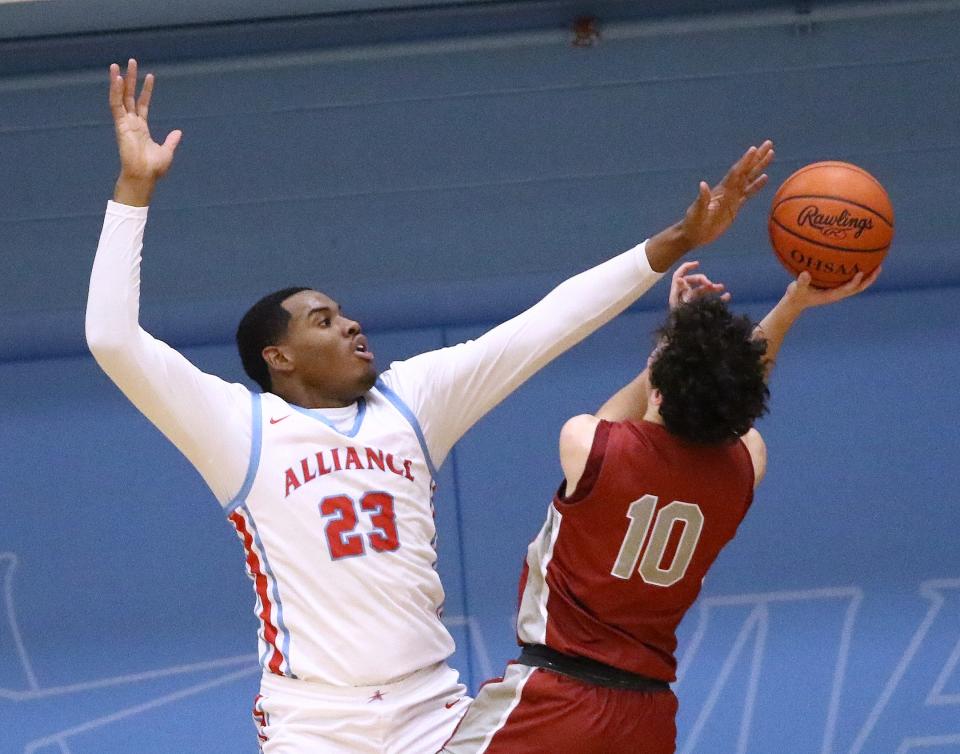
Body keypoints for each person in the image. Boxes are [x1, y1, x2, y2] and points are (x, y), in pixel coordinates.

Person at [85, 58, 774, 754]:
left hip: (431, 712)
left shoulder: (412, 400)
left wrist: (677, 241)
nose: (351, 324)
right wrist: (133, 188)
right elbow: (112, 338)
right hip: (316, 723)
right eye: (323, 321)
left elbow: (544, 325)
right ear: (278, 358)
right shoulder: (238, 429)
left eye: (345, 313)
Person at [439, 263, 878, 754]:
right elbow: (734, 393)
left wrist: (675, 342)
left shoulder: (591, 445)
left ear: (660, 383)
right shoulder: (744, 465)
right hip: (646, 719)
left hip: (557, 699)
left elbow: (635, 412)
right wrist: (791, 305)